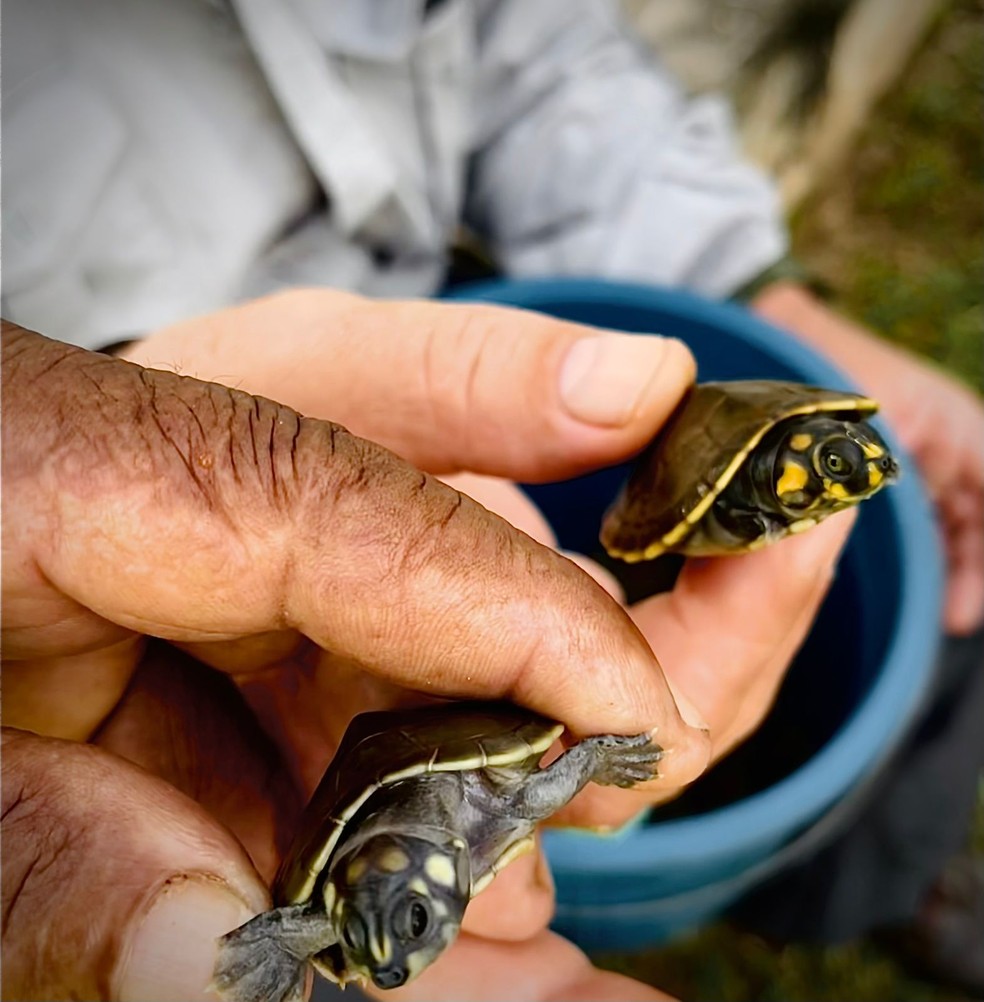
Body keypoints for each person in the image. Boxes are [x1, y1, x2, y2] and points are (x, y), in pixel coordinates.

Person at [2, 0, 981, 991]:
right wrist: (94, 411)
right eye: (404, 935)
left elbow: (524, 41)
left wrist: (754, 288)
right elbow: (522, 794)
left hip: (407, 364)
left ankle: (883, 882)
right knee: (606, 753)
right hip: (161, 464)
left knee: (929, 637)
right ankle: (832, 889)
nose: (402, 949)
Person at [2, 314, 852, 1002]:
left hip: (394, 750)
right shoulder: (486, 810)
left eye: (404, 932)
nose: (398, 958)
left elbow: (551, 770)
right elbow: (555, 776)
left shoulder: (465, 795)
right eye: (394, 940)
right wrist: (606, 755)